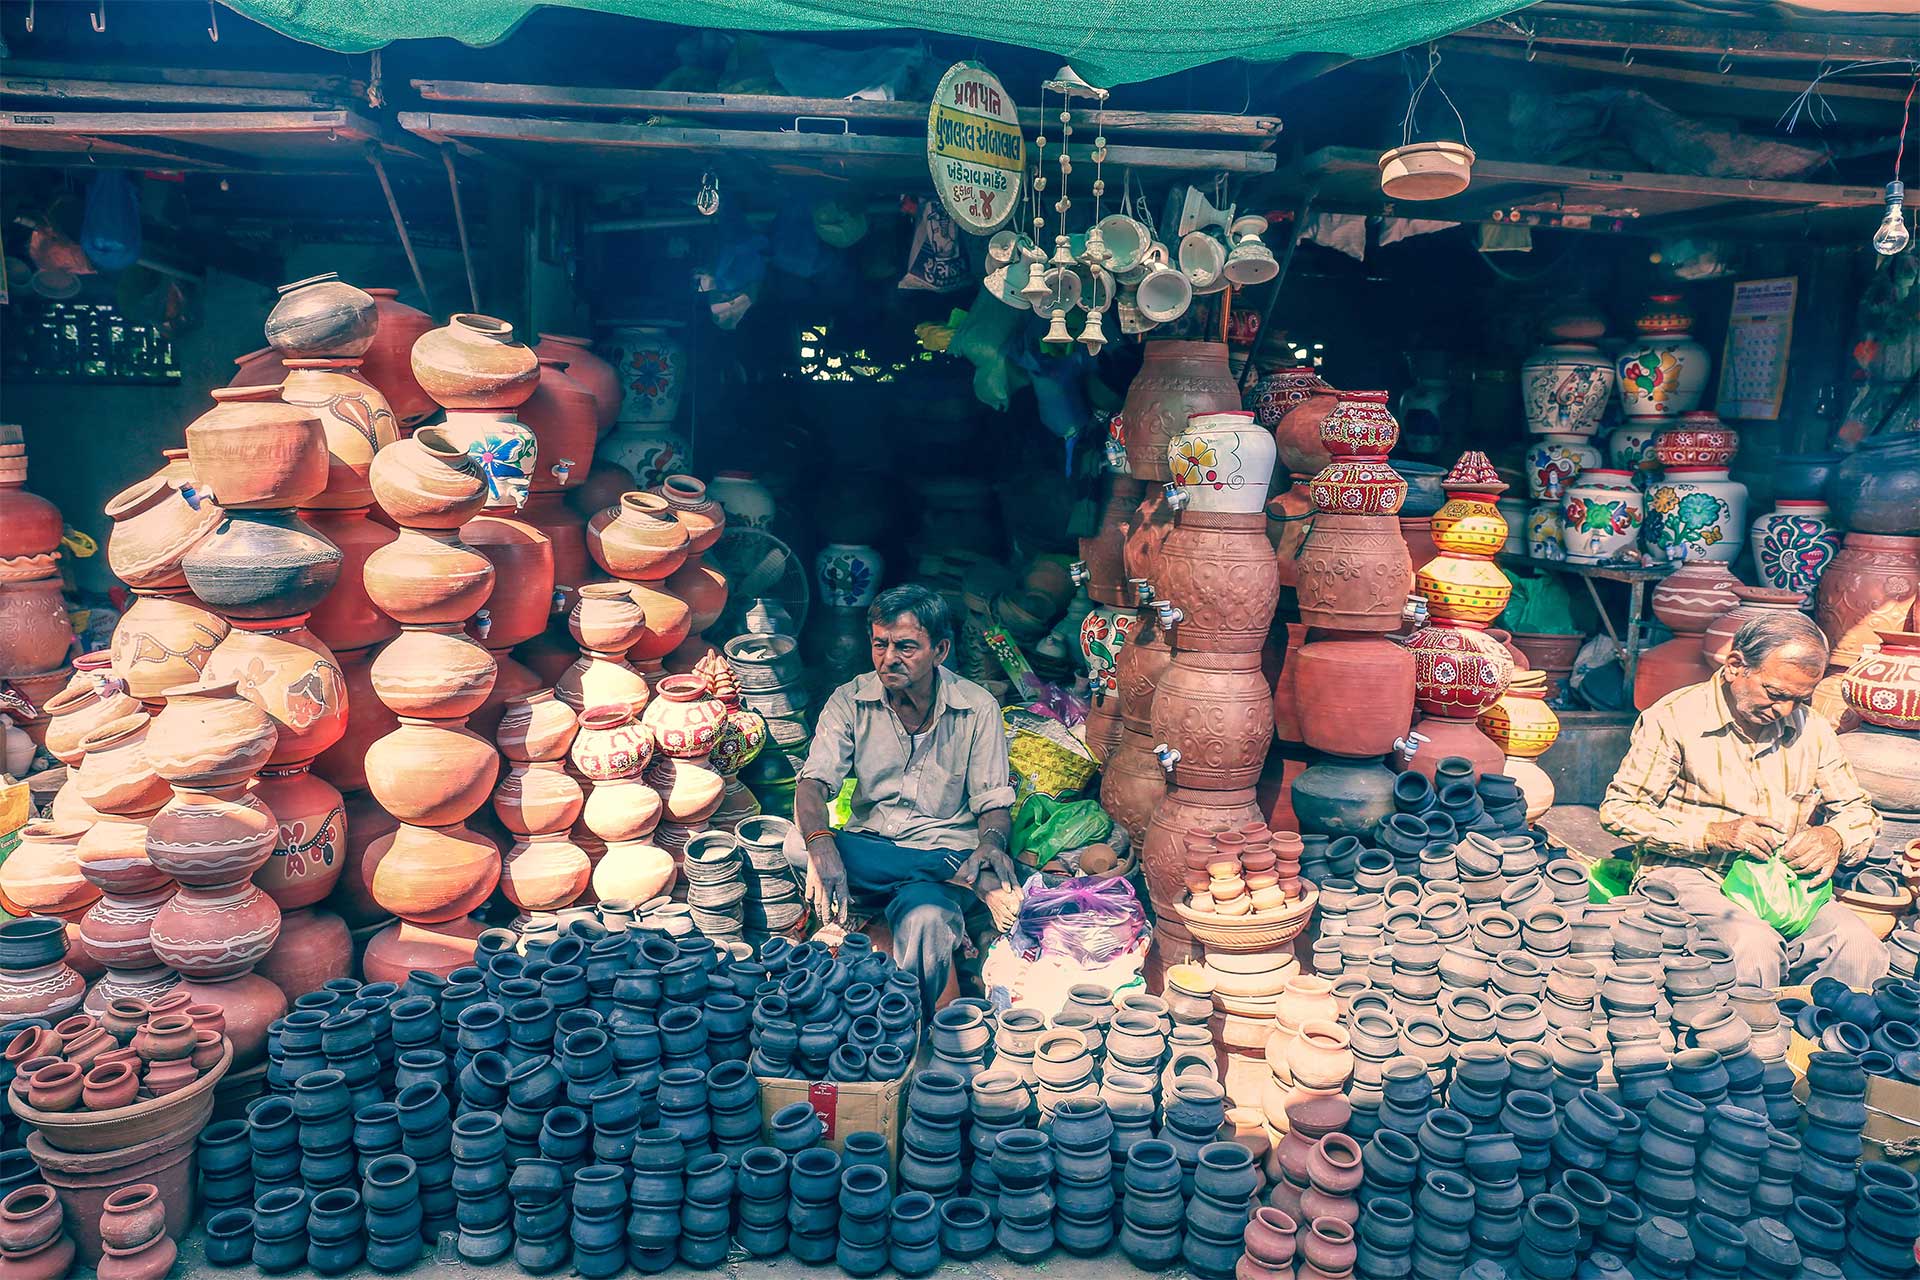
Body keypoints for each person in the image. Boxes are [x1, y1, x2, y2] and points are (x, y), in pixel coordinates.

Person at [1600, 609, 1885, 988]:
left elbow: (1859, 812)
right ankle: (1752, 1045)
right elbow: (1619, 811)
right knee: (1752, 946)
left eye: (1799, 699)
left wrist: (1835, 837)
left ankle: (1826, 1042)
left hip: (1779, 884)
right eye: (1776, 694)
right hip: (1692, 876)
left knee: (1857, 945)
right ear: (1736, 665)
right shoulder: (1674, 718)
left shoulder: (1811, 729)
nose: (1784, 710)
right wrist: (1712, 834)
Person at [795, 584, 1021, 1010]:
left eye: (905, 646)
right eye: (880, 644)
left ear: (940, 650)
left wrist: (990, 844)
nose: (888, 658)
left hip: (938, 844)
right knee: (795, 842)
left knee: (929, 918)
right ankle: (957, 875)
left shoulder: (978, 708)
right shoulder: (849, 700)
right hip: (873, 853)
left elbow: (993, 804)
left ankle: (914, 1029)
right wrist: (821, 844)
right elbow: (812, 784)